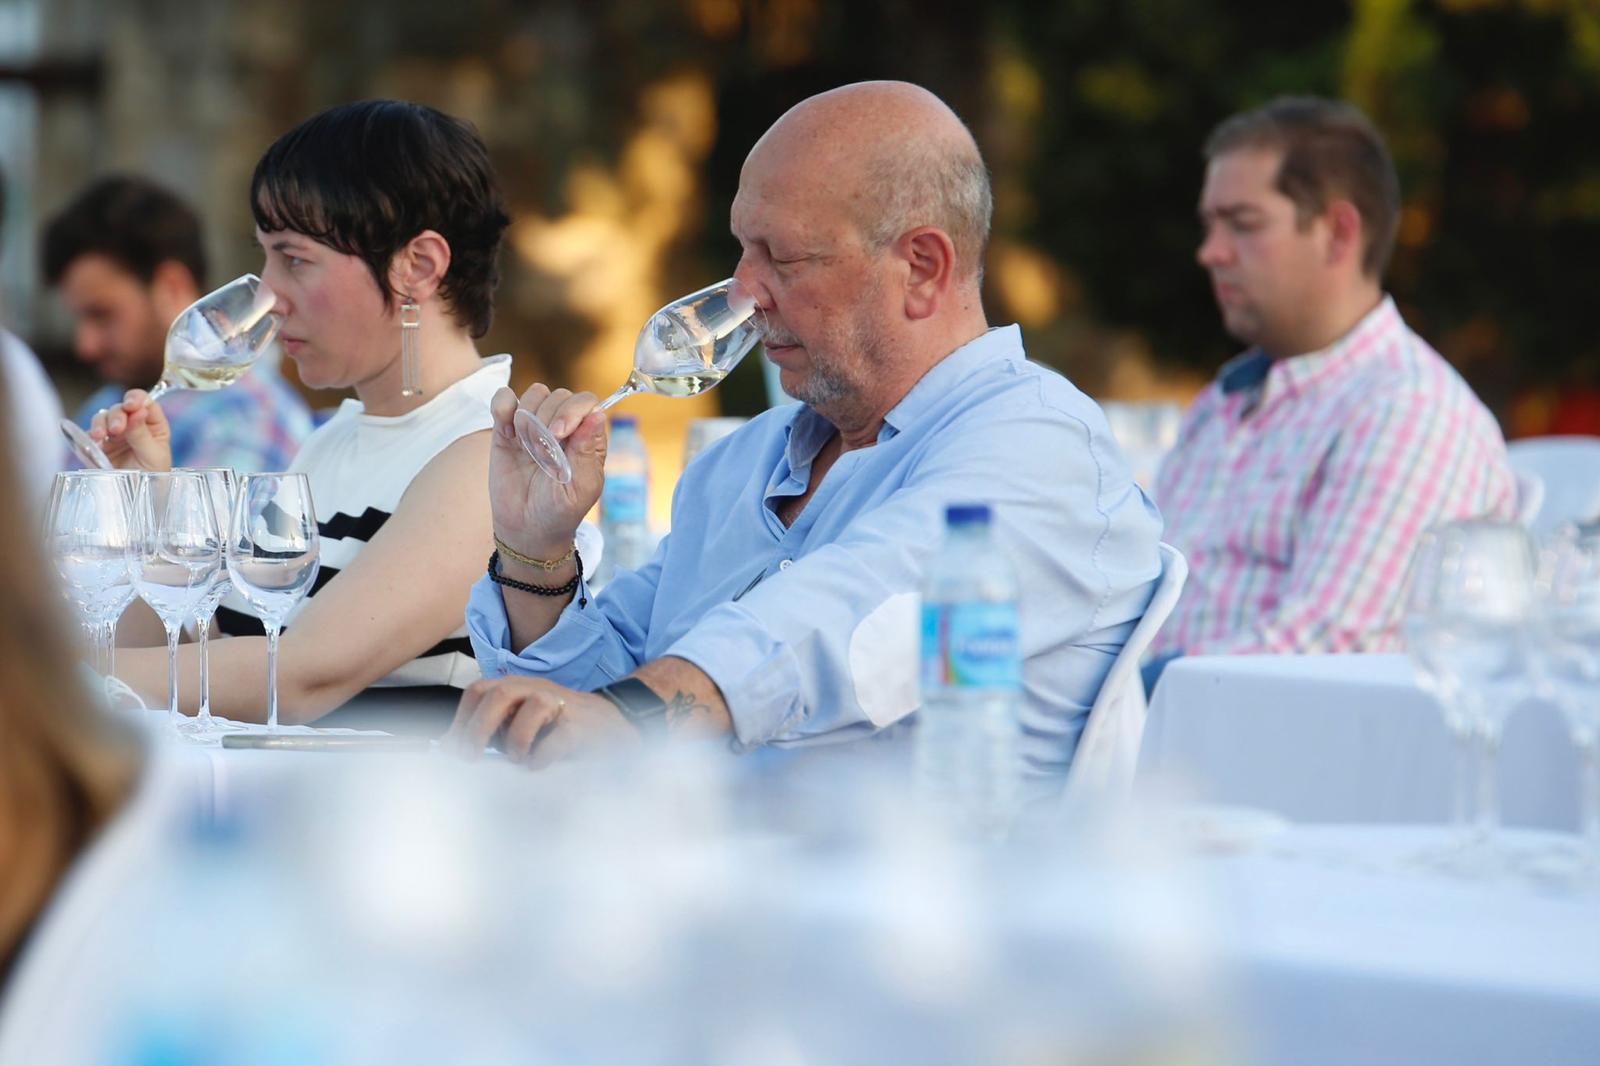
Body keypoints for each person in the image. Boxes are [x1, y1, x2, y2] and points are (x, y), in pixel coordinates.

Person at [450, 81, 1164, 780]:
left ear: (922, 268)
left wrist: (632, 716)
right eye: (741, 250)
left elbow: (845, 616)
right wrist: (535, 551)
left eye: (784, 258)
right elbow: (602, 700)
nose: (742, 294)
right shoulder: (744, 464)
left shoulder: (1036, 445)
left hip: (923, 888)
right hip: (698, 876)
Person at [89, 100, 523, 726]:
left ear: (418, 267)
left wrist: (53, 676)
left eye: (294, 259)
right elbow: (215, 674)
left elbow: (301, 676)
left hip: (399, 818)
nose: (268, 295)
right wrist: (150, 504)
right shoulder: (333, 441)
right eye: (265, 257)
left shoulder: (491, 453)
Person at [1148, 96, 1515, 680]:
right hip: (1155, 745)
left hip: (1263, 758)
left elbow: (1321, 650)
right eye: (1210, 225)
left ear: (1339, 233)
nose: (1210, 252)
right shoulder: (1226, 401)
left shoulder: (1407, 411)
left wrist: (1112, 703)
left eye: (1242, 225)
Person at [42, 175, 313, 471]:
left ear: (171, 287)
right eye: (78, 318)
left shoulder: (246, 421)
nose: (85, 346)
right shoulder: (107, 405)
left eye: (102, 314)